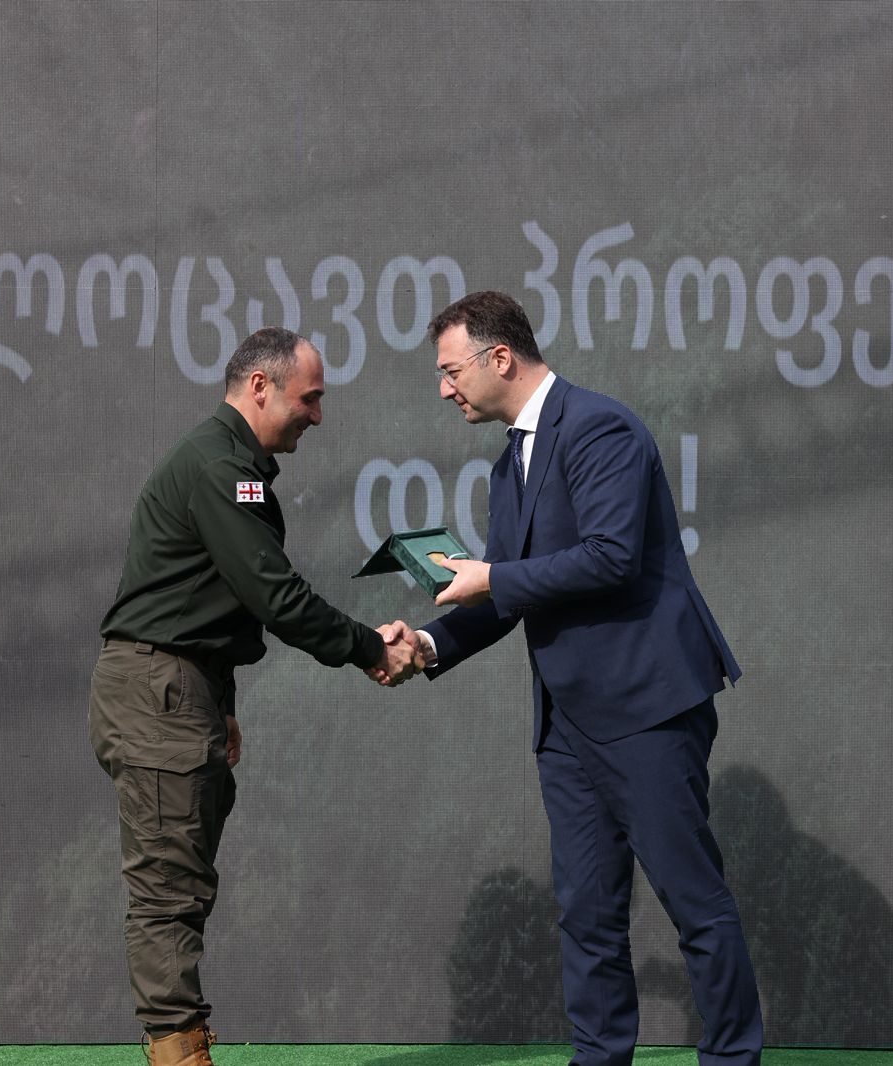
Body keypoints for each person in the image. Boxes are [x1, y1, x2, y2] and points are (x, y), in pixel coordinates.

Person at [398, 291, 763, 1066]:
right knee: (588, 915)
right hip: (567, 726)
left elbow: (609, 557)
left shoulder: (601, 428)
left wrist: (493, 576)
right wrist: (426, 645)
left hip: (648, 707)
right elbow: (503, 599)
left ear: (500, 357)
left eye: (450, 370)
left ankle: (733, 1059)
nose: (444, 388)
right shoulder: (509, 464)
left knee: (694, 904)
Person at [88, 326, 420, 1066]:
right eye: (311, 399)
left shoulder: (228, 463)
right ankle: (180, 1054)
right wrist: (372, 648)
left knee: (183, 879)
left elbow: (206, 597)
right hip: (160, 690)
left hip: (181, 687)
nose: (318, 416)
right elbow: (275, 597)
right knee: (169, 889)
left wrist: (222, 699)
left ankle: (181, 1045)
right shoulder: (221, 467)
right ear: (260, 387)